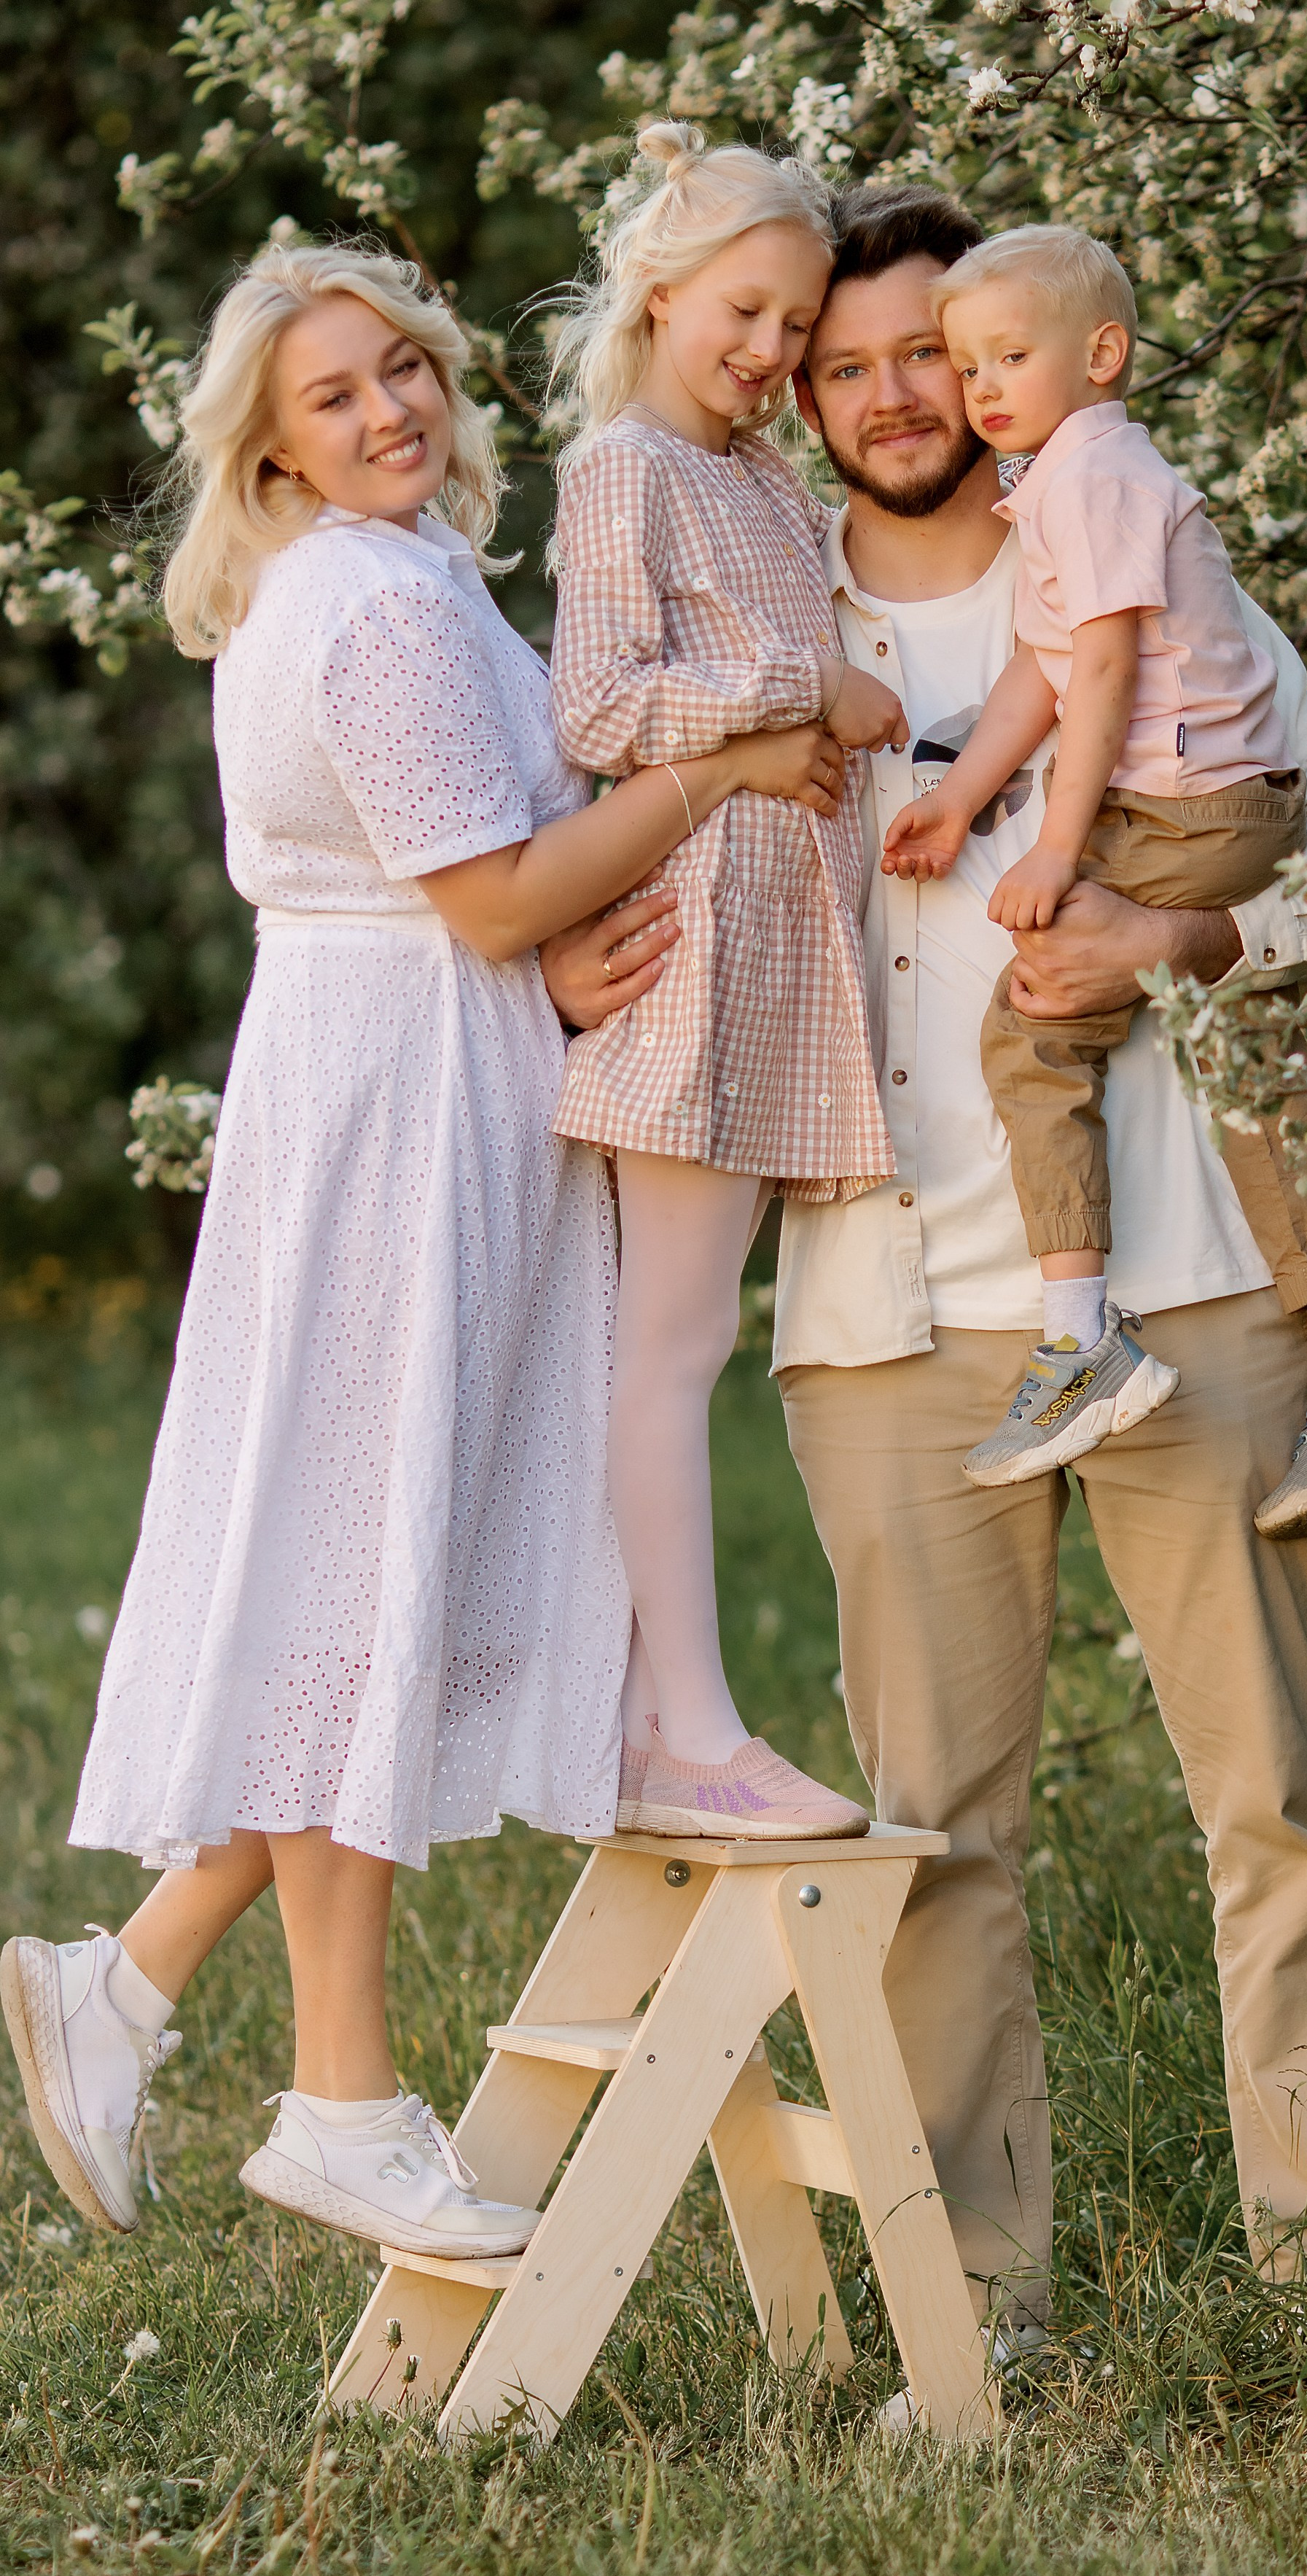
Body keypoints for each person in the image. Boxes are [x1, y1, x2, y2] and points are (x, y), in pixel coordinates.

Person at [545, 183, 1307, 2337]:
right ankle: (980, 2311)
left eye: (925, 353)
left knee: (1278, 1806)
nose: (889, 394)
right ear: (805, 394)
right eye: (839, 364)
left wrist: (1189, 931)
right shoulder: (756, 618)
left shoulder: (1142, 561)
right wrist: (562, 965)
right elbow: (573, 860)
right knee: (934, 1836)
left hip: (1190, 1287)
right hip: (879, 1315)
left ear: (1007, 360)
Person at [0, 240, 844, 2260]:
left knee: (362, 1556)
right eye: (332, 397)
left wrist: (555, 952)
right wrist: (717, 768)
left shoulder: (407, 577)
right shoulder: (363, 607)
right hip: (389, 1108)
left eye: (401, 371)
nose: (388, 412)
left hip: (423, 1079)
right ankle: (339, 2102)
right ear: (271, 454)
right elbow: (486, 899)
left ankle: (118, 1987)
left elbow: (494, 905)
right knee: (356, 1563)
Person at [882, 223, 1307, 1524]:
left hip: (1184, 807)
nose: (977, 391)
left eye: (1002, 356)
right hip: (1224, 806)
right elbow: (1042, 660)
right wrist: (964, 794)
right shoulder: (1072, 481)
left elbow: (1101, 677)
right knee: (1251, 1056)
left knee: (1030, 1043)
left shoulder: (1091, 480)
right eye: (963, 364)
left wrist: (1049, 847)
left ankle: (1081, 1341)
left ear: (1102, 354)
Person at [543, 122, 906, 1841]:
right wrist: (795, 699)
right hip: (690, 950)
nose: (768, 356)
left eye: (791, 327)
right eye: (742, 316)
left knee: (684, 1332)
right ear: (661, 292)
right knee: (671, 1341)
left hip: (777, 957)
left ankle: (642, 1703)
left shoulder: (763, 478)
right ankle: (684, 1724)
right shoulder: (623, 467)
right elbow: (598, 708)